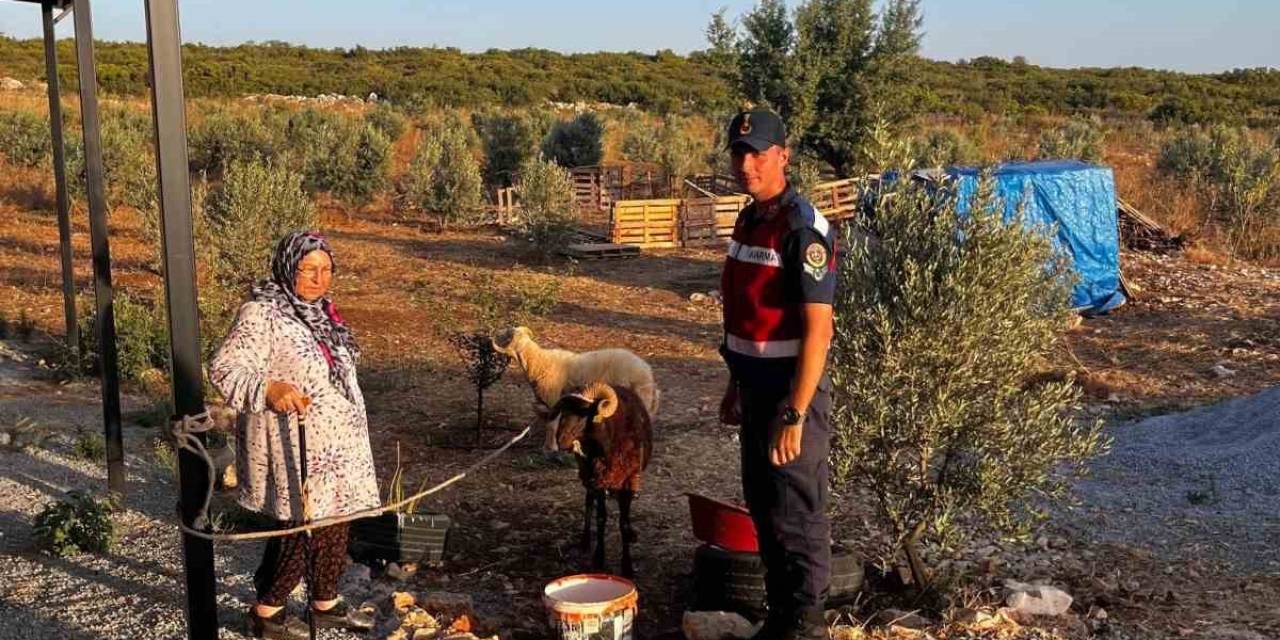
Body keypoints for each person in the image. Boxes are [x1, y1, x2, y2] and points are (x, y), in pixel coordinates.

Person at [210, 230, 379, 639]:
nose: (319, 279)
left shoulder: (324, 314)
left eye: (326, 269)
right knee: (302, 526)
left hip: (339, 445)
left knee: (336, 521)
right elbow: (225, 369)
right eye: (308, 269)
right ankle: (266, 612)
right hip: (294, 442)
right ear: (288, 268)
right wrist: (269, 388)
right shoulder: (262, 313)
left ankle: (325, 603)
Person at [717, 109, 838, 640]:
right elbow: (745, 314)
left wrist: (795, 413)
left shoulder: (802, 228)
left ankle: (807, 626)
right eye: (738, 153)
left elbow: (819, 331)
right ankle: (781, 619)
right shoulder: (750, 220)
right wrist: (734, 384)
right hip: (754, 389)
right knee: (764, 508)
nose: (746, 165)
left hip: (792, 394)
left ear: (783, 156)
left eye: (757, 154)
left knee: (798, 515)